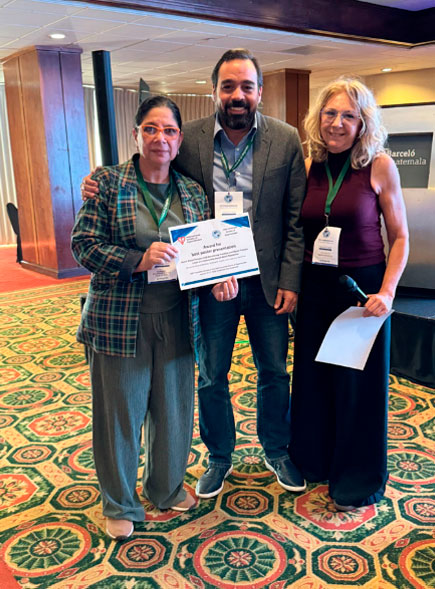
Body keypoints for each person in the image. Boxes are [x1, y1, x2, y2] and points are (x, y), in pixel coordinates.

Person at [82, 49, 307, 500]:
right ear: (214, 91)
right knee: (211, 373)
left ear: (260, 91)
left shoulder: (285, 140)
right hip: (210, 277)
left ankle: (277, 449)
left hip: (266, 282)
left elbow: (295, 218)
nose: (238, 95)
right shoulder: (192, 138)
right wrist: (98, 179)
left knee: (274, 371)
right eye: (228, 86)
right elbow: (152, 165)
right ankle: (219, 456)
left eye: (246, 86)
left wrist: (289, 280)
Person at [71, 95, 237, 541]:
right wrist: (137, 260)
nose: (160, 138)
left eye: (169, 130)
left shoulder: (193, 192)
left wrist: (218, 280)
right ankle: (120, 502)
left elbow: (202, 255)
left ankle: (166, 488)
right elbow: (83, 245)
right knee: (120, 415)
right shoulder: (108, 183)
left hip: (177, 318)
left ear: (179, 140)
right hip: (119, 320)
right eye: (150, 128)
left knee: (174, 410)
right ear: (136, 135)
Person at [289, 76, 409, 511]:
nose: (337, 123)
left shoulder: (379, 165)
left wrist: (388, 293)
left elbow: (400, 237)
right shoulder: (309, 164)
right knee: (315, 379)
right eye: (330, 113)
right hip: (314, 288)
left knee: (357, 386)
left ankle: (357, 478)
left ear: (363, 123)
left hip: (361, 293)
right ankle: (315, 461)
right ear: (317, 117)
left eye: (348, 116)